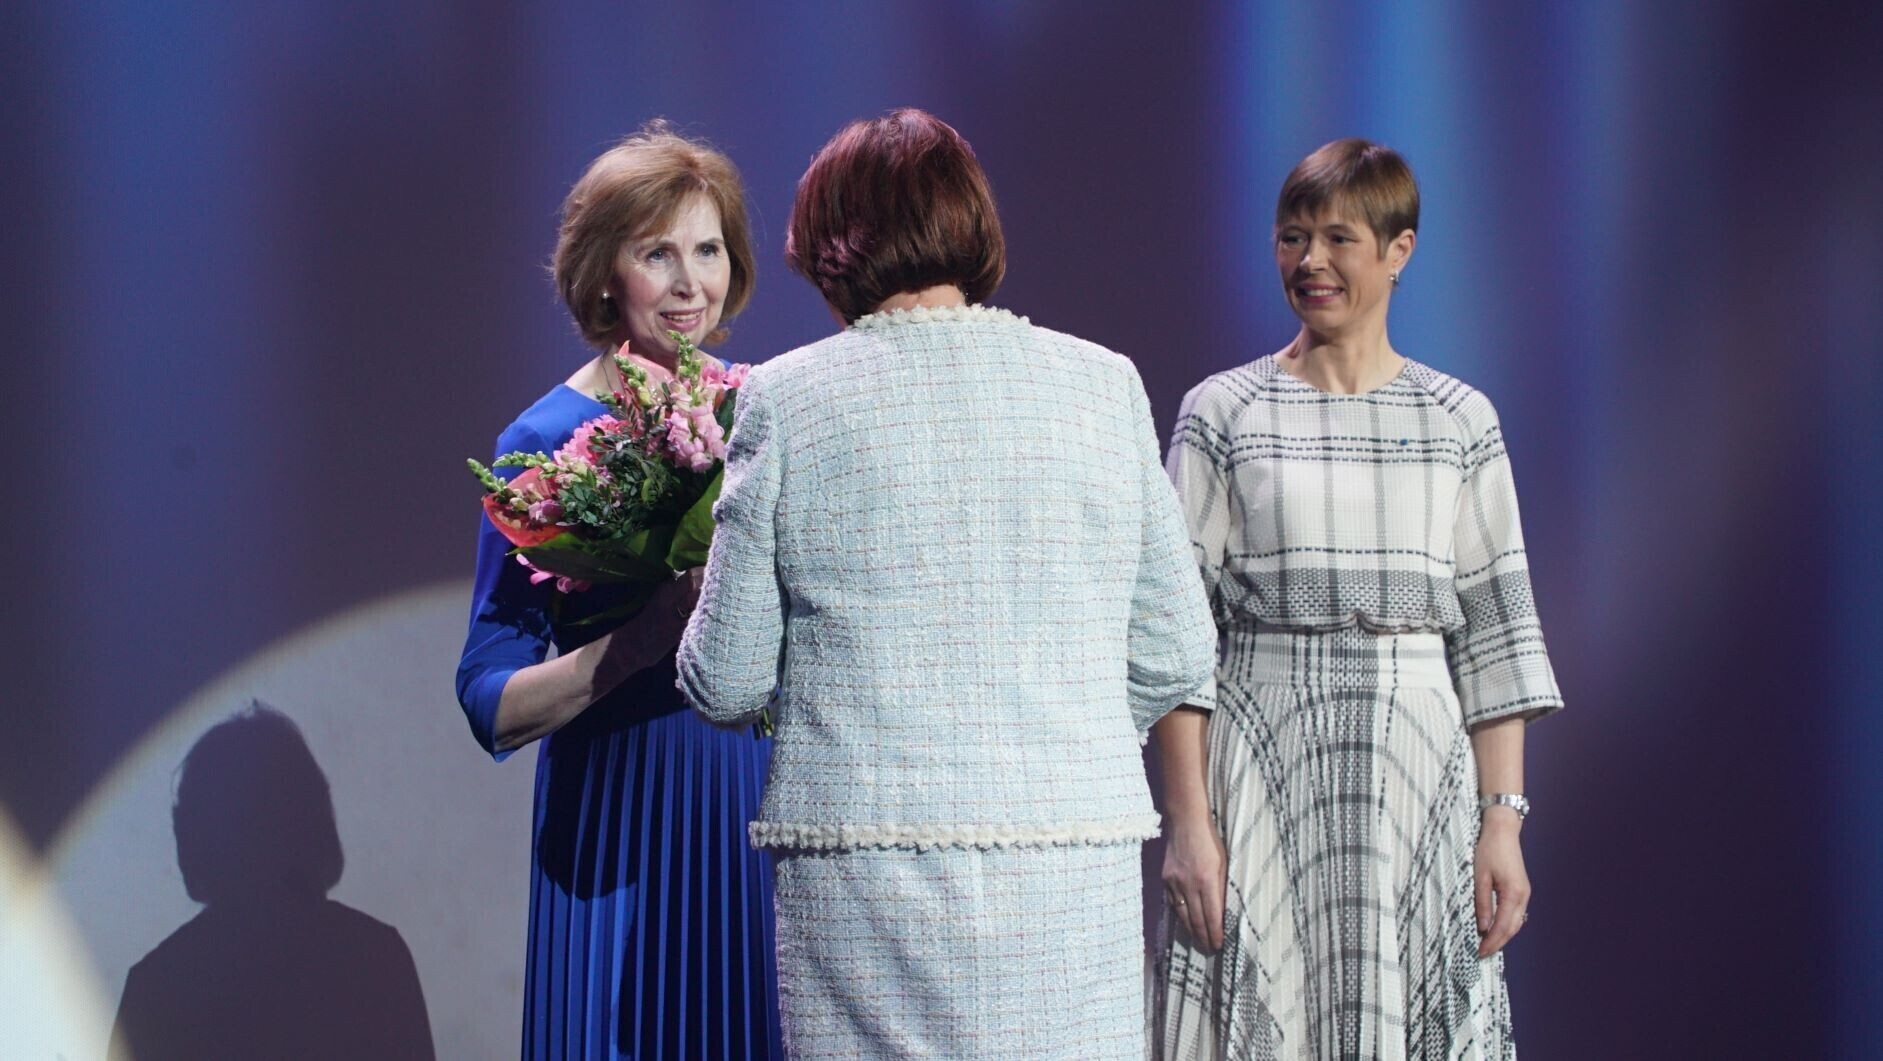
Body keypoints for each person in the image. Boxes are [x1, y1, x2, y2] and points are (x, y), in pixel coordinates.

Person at [674, 108, 1216, 1059]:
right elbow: (1175, 648)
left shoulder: (787, 398)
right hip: (1069, 861)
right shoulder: (1102, 385)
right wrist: (1057, 728)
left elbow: (725, 679)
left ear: (832, 244)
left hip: (864, 870)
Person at [1151, 138, 1564, 1060]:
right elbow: (1175, 637)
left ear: (1398, 249)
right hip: (1258, 768)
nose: (1310, 261)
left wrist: (1502, 822)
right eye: (1291, 237)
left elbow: (1495, 638)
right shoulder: (1223, 411)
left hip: (1417, 777)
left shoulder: (1458, 419)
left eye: (1338, 238)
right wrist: (1187, 823)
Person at [455, 122, 783, 1059]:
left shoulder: (764, 413)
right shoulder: (541, 441)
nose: (690, 284)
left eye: (708, 250)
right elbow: (487, 696)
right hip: (617, 814)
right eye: (657, 254)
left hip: (749, 810)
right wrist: (633, 644)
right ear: (605, 273)